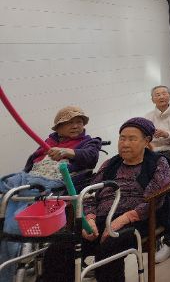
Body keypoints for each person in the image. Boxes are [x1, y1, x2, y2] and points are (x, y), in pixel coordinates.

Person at [40, 118, 170, 282]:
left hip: (138, 220)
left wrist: (123, 219)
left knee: (108, 251)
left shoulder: (158, 163)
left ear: (146, 141)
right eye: (122, 138)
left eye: (132, 139)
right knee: (58, 248)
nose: (125, 144)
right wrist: (89, 219)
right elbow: (90, 193)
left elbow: (155, 199)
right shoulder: (110, 163)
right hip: (100, 219)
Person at [0, 106, 101, 282]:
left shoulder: (89, 142)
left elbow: (91, 156)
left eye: (79, 122)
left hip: (52, 184)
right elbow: (31, 164)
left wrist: (68, 152)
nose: (75, 126)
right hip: (29, 179)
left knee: (15, 212)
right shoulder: (48, 141)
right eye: (69, 122)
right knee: (7, 191)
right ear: (58, 128)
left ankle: (16, 250)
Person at [144, 85, 170, 157]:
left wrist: (166, 135)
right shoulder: (147, 117)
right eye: (157, 95)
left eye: (164, 94)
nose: (161, 97)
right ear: (152, 100)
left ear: (169, 96)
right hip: (153, 152)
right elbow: (145, 138)